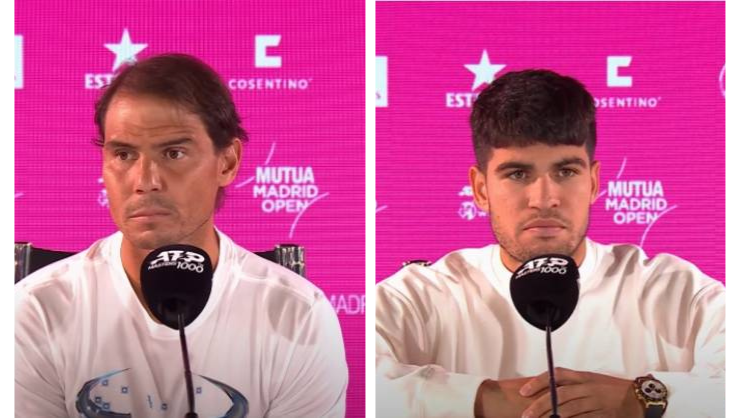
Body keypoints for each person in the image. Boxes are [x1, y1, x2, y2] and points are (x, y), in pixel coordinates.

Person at [376, 69, 724, 418]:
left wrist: (643, 399)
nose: (544, 199)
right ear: (480, 189)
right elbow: (370, 387)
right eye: (517, 174)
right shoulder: (418, 296)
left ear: (593, 182)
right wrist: (484, 399)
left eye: (566, 172)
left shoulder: (678, 290)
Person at [15, 54, 348, 418]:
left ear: (227, 162)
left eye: (174, 153)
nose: (145, 181)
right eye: (123, 154)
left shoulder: (297, 315)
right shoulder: (36, 309)